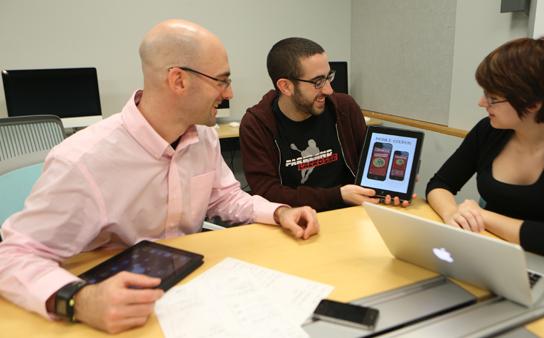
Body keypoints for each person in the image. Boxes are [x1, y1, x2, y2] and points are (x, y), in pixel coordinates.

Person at [0, 20, 319, 333]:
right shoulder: (83, 160)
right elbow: (12, 256)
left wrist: (279, 212)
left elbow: (224, 196)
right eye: (222, 81)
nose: (230, 92)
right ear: (178, 80)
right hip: (115, 308)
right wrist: (79, 300)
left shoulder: (203, 138)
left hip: (189, 293)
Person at [426, 36, 544, 266]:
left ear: (532, 104)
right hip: (488, 255)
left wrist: (482, 216)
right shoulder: (488, 131)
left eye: (492, 98)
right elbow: (439, 184)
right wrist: (452, 214)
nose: (481, 103)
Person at [240, 37, 406, 212]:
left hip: (351, 213)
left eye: (328, 77)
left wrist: (390, 179)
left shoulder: (344, 107)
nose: (329, 90)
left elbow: (368, 164)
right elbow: (267, 194)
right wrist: (338, 195)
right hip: (295, 220)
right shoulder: (256, 125)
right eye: (318, 82)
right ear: (286, 86)